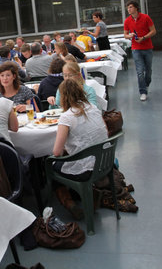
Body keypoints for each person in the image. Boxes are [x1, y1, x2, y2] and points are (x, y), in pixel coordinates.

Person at [52, 79, 108, 219]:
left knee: (51, 166)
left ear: (63, 97)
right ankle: (88, 193)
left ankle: (70, 204)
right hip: (104, 162)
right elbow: (105, 132)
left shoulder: (67, 117)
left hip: (86, 169)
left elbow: (57, 152)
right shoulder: (93, 108)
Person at [123, 0, 156, 101]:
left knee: (148, 70)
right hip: (136, 48)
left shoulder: (146, 17)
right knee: (140, 71)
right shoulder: (127, 21)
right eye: (128, 7)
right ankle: (143, 91)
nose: (129, 9)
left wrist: (144, 38)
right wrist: (130, 35)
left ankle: (146, 84)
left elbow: (153, 31)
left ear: (136, 8)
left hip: (147, 47)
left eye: (131, 7)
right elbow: (125, 35)